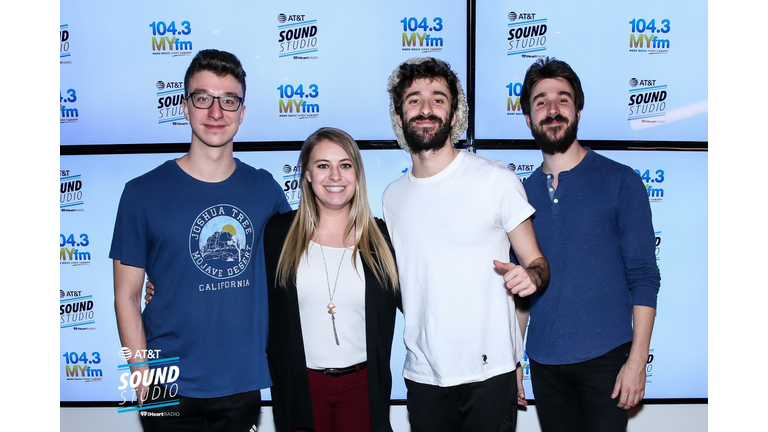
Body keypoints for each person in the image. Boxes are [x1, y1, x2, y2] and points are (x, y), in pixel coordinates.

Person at [110, 49, 291, 431]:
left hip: (240, 379)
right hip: (161, 381)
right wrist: (139, 375)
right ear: (185, 106)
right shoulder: (141, 193)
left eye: (228, 101)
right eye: (203, 98)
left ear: (242, 112)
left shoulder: (264, 189)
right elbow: (126, 295)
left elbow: (297, 259)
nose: (215, 112)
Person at [382, 56, 550, 432]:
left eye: (438, 98)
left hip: (489, 373)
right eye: (414, 99)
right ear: (398, 115)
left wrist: (531, 277)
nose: (426, 109)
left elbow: (537, 261)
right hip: (423, 374)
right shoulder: (392, 197)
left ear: (454, 113)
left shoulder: (495, 180)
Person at [518, 57, 661, 432]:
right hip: (545, 363)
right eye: (541, 102)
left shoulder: (620, 181)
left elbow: (644, 276)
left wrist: (636, 361)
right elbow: (518, 292)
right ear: (528, 119)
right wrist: (514, 363)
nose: (552, 110)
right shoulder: (518, 195)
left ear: (578, 111)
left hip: (608, 359)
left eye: (562, 99)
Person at [264, 127, 400, 432]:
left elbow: (423, 295)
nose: (335, 176)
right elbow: (242, 291)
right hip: (301, 389)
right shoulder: (277, 234)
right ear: (308, 175)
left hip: (363, 387)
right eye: (323, 165)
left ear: (357, 174)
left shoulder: (382, 239)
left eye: (345, 165)